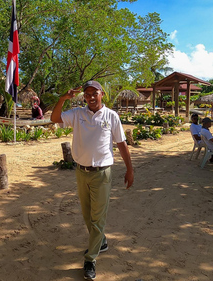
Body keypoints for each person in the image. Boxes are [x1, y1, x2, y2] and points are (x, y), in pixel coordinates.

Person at [51, 80, 134, 280]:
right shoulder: (77, 114)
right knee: (87, 215)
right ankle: (101, 241)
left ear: (102, 94)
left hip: (102, 173)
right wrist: (63, 98)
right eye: (87, 94)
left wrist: (130, 169)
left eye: (94, 93)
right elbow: (55, 118)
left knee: (98, 218)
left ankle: (91, 258)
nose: (90, 97)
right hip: (81, 172)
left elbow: (121, 144)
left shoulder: (111, 116)